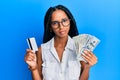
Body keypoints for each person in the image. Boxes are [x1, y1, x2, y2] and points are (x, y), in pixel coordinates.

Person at [25, 5, 98, 80]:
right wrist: (34, 69)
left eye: (64, 21)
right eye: (55, 23)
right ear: (50, 27)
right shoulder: (42, 50)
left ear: (70, 22)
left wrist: (87, 67)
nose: (61, 27)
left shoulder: (79, 47)